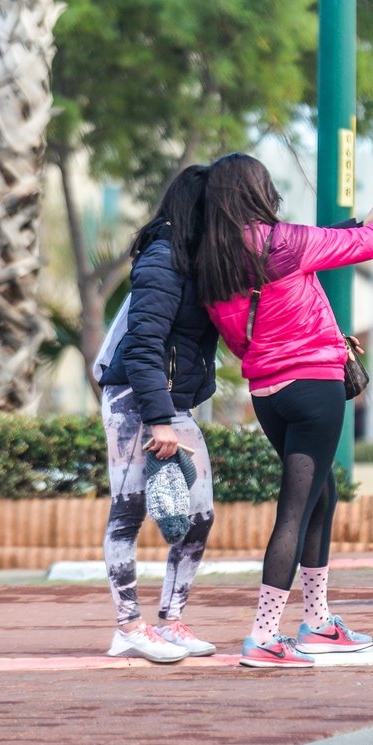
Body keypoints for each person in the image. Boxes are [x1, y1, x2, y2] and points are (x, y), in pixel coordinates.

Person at [198, 153, 373, 668]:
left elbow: (239, 330)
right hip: (313, 390)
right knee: (294, 510)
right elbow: (370, 244)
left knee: (321, 495)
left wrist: (358, 217)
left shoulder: (213, 261)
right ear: (256, 192)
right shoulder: (281, 242)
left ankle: (317, 621)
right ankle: (264, 634)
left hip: (269, 395)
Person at [94, 164, 220, 663]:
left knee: (199, 514)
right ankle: (128, 626)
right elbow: (144, 345)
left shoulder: (199, 259)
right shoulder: (163, 257)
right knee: (129, 511)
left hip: (175, 401)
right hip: (134, 397)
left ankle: (172, 620)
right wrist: (159, 420)